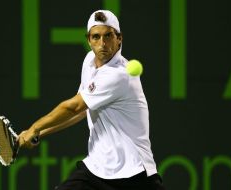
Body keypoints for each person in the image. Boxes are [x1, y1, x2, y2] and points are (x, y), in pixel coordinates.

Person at [18, 10, 165, 190]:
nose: (102, 43)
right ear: (88, 40)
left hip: (133, 173)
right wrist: (39, 133)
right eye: (96, 37)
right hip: (97, 168)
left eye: (108, 36)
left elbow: (73, 107)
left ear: (119, 39)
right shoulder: (89, 62)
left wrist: (34, 127)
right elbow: (81, 111)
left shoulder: (119, 75)